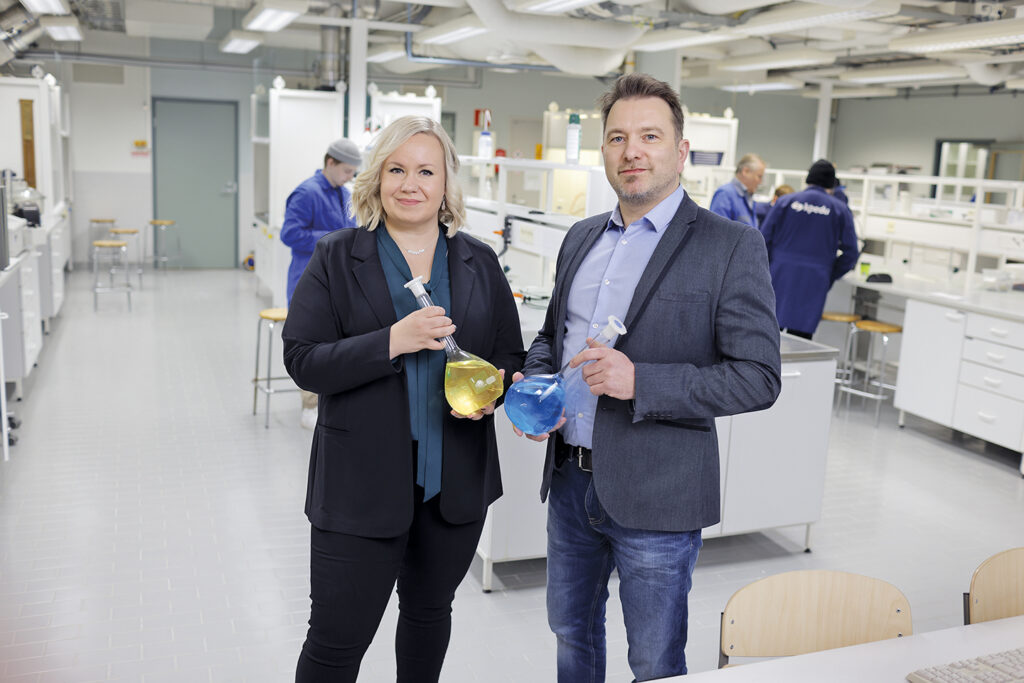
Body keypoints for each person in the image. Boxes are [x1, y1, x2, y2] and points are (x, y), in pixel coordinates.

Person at [511, 73, 782, 682]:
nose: (632, 151)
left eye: (650, 136)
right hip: (571, 485)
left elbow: (759, 377)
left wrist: (643, 383)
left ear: (680, 150)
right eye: (617, 138)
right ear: (603, 151)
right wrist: (537, 385)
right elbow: (550, 337)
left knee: (654, 659)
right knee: (571, 635)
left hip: (658, 492)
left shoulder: (730, 246)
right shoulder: (581, 237)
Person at [282, 116, 525, 682]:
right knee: (336, 642)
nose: (410, 183)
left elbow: (509, 354)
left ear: (446, 184)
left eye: (425, 170)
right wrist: (392, 340)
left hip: (454, 486)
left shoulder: (478, 261)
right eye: (396, 169)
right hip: (359, 490)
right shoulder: (337, 258)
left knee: (428, 615)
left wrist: (496, 389)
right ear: (376, 178)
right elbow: (302, 361)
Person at [280, 138, 363, 429]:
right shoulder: (307, 193)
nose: (350, 177)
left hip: (338, 281)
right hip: (308, 279)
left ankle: (329, 399)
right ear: (330, 163)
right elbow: (289, 234)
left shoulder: (342, 193)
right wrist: (333, 239)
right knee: (311, 341)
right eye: (347, 171)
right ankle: (310, 404)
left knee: (335, 342)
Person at [759, 159, 860, 340]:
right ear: (831, 183)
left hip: (779, 275)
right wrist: (830, 273)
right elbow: (851, 252)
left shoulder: (785, 202)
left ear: (808, 179)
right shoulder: (839, 210)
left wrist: (769, 267)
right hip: (815, 280)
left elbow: (762, 240)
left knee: (769, 336)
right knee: (801, 342)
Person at [708, 152, 765, 227]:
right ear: (745, 171)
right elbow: (717, 229)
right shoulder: (725, 194)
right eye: (759, 176)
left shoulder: (748, 197)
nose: (760, 182)